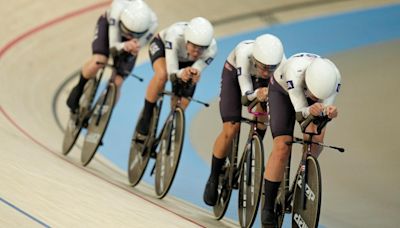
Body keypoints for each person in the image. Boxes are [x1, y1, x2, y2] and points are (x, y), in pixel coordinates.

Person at [202, 34, 285, 206]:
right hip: (235, 76)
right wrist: (257, 94)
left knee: (264, 118)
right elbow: (246, 96)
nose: (265, 71)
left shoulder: (281, 64)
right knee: (231, 128)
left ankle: (252, 148)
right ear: (255, 59)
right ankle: (214, 176)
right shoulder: (244, 54)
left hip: (265, 84)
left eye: (271, 68)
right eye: (263, 67)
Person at [261, 53, 342, 227]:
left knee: (315, 142)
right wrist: (310, 109)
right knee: (282, 146)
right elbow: (300, 113)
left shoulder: (334, 78)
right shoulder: (295, 71)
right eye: (313, 94)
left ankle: (302, 177)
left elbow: (322, 114)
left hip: (308, 96)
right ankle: (268, 206)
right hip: (282, 92)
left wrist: (328, 112)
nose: (315, 97)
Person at [66, 0, 158, 113]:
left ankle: (104, 114)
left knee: (118, 81)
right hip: (109, 28)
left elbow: (138, 46)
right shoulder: (117, 10)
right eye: (128, 32)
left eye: (134, 34)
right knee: (99, 60)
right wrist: (125, 45)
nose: (130, 36)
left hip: (132, 43)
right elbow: (113, 46)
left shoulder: (153, 23)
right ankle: (79, 88)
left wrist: (131, 46)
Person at [135, 17, 217, 138]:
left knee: (183, 97)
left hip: (186, 62)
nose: (196, 52)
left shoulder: (212, 49)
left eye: (201, 48)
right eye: (194, 47)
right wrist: (180, 73)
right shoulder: (175, 35)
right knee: (162, 75)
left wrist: (194, 74)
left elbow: (196, 69)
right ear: (186, 41)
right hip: (163, 49)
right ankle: (146, 116)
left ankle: (170, 126)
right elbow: (171, 73)